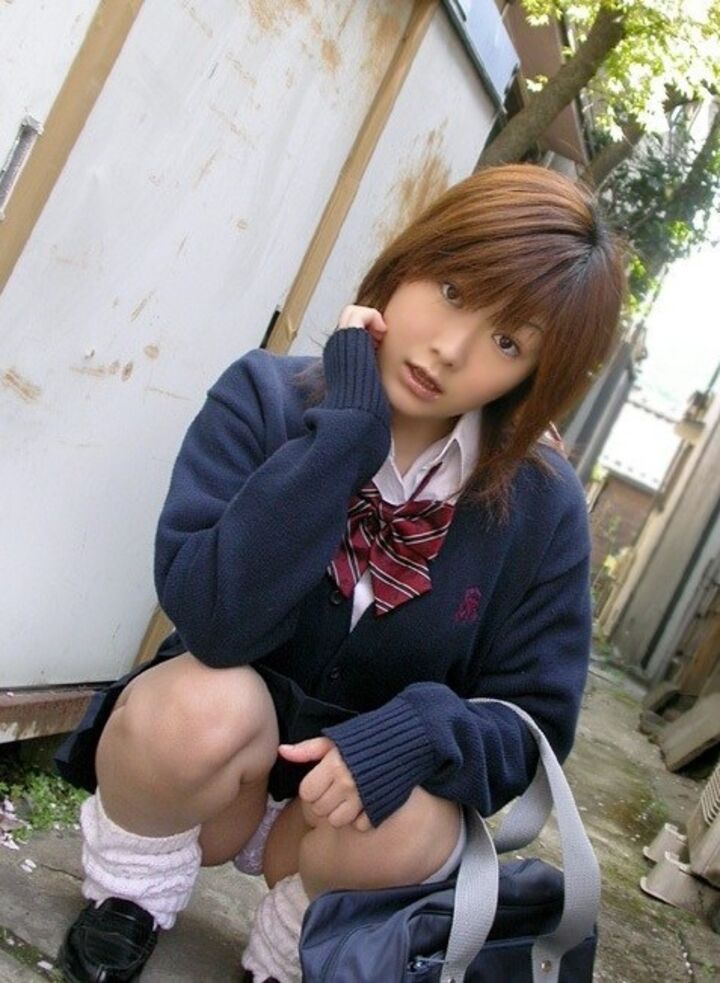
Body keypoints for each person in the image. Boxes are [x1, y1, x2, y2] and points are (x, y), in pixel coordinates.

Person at [55, 163, 625, 983]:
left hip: (354, 821)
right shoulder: (265, 396)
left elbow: (532, 725)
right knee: (189, 701)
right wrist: (346, 436)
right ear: (410, 260)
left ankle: (294, 949)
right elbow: (211, 615)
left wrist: (420, 730)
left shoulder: (541, 506)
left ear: (534, 377)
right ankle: (130, 896)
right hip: (218, 774)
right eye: (453, 290)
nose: (450, 349)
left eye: (508, 342)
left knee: (425, 821)